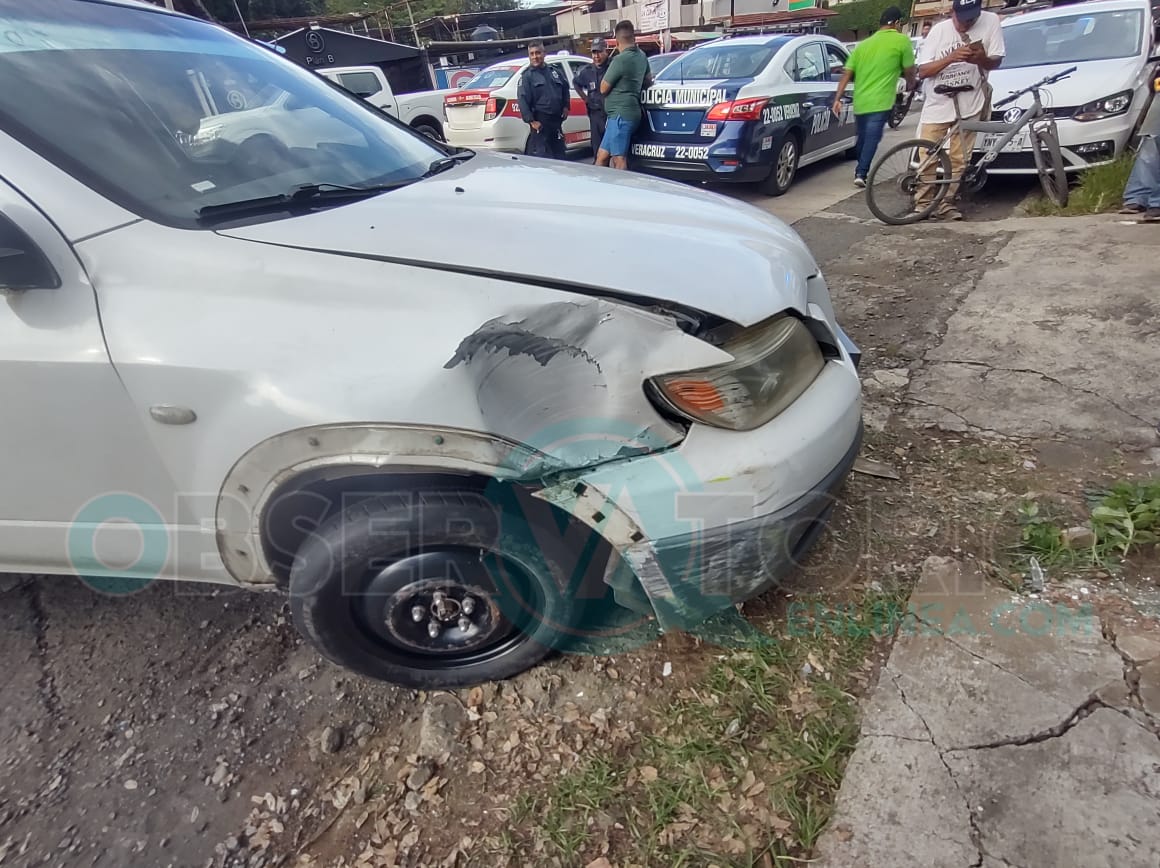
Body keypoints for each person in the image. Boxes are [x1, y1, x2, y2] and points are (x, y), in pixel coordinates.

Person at [912, 0, 1005, 221]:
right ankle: (923, 203)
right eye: (961, 19)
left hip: (970, 102)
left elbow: (996, 60)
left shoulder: (991, 22)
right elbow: (923, 71)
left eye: (971, 19)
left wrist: (980, 58)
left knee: (960, 158)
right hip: (938, 102)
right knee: (928, 155)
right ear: (952, 12)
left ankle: (946, 203)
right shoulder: (938, 31)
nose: (965, 24)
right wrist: (951, 58)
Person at [833, 6, 917, 187]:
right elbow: (910, 69)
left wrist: (837, 98)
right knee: (872, 138)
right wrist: (912, 84)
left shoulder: (863, 45)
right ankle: (861, 173)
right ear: (897, 23)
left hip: (861, 100)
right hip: (881, 101)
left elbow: (847, 73)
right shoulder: (902, 41)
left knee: (863, 137)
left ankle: (861, 167)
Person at [597, 20, 653, 170]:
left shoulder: (619, 60)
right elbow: (648, 80)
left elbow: (603, 88)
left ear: (616, 41)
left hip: (620, 116)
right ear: (633, 38)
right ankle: (598, 188)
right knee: (602, 156)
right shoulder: (642, 56)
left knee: (619, 158)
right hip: (629, 113)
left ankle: (622, 190)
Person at [517, 41, 570, 160]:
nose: (535, 56)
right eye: (532, 54)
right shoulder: (527, 76)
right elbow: (522, 100)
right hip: (540, 124)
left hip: (556, 123)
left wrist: (566, 106)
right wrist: (532, 121)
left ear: (544, 53)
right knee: (545, 159)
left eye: (538, 53)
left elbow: (565, 88)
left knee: (561, 156)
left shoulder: (554, 72)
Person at [574, 37, 612, 164]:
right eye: (594, 53)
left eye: (599, 52)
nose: (596, 56)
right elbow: (576, 83)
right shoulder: (588, 71)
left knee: (614, 153)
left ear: (605, 51)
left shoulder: (612, 68)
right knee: (598, 152)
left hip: (610, 115)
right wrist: (585, 99)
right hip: (595, 115)